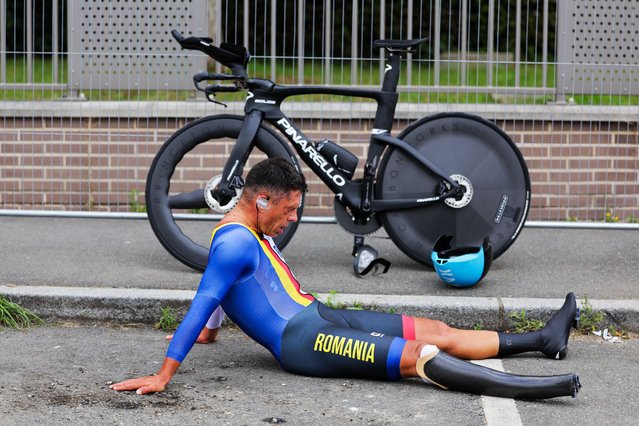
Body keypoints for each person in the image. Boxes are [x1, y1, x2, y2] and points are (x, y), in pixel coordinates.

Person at [111, 158, 581, 399]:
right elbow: (205, 297)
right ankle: (533, 388)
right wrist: (163, 374)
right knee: (420, 355)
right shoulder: (233, 242)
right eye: (289, 208)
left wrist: (212, 334)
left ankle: (543, 340)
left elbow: (219, 301)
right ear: (261, 201)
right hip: (303, 341)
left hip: (318, 315)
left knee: (433, 329)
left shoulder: (241, 232)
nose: (293, 218)